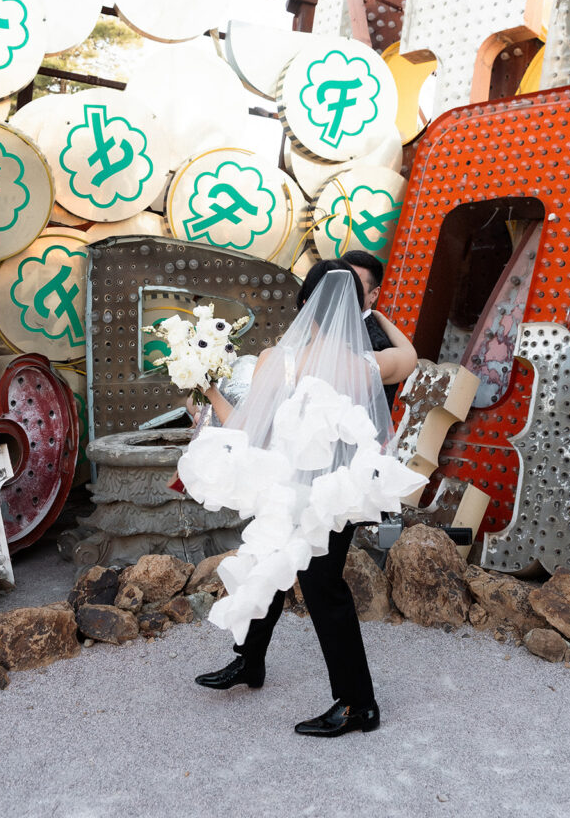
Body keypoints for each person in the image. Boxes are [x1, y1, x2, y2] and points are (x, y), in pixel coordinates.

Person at [178, 260, 425, 738]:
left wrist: (207, 390)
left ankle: (359, 705)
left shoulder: (278, 360)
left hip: (301, 493)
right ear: (355, 307)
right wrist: (370, 312)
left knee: (323, 592)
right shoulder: (366, 364)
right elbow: (410, 356)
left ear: (305, 304)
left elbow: (247, 429)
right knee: (272, 571)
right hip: (338, 495)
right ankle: (250, 663)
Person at [340, 249, 417, 411]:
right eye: (340, 282)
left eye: (354, 285)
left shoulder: (378, 344)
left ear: (374, 295)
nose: (344, 291)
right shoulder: (319, 332)